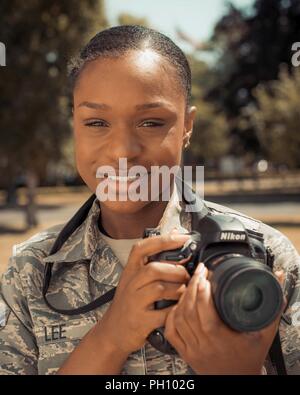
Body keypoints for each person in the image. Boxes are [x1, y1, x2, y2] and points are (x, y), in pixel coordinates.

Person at [0, 25, 299, 375]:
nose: (123, 150)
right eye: (96, 122)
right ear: (74, 126)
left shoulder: (263, 256)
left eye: (151, 122)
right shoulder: (32, 272)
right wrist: (111, 336)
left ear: (187, 126)